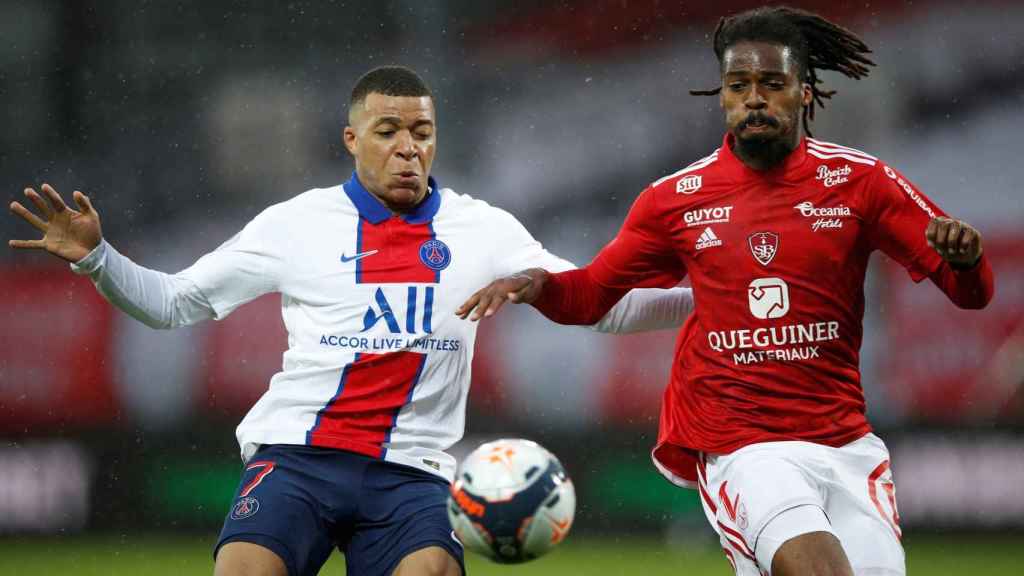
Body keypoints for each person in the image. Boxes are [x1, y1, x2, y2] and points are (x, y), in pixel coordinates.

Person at [7, 66, 695, 576]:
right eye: (388, 131)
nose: (407, 148)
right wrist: (96, 257)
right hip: (297, 458)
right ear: (351, 138)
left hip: (410, 472)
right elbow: (172, 303)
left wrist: (709, 295)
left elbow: (602, 305)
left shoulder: (484, 230)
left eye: (421, 132)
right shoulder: (295, 224)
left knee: (430, 572)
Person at [456, 7, 995, 576]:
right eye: (739, 86)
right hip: (743, 445)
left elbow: (972, 294)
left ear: (804, 94)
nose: (755, 98)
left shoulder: (862, 183)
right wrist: (537, 284)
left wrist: (967, 261)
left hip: (844, 444)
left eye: (772, 84)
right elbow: (590, 297)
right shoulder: (675, 199)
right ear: (723, 97)